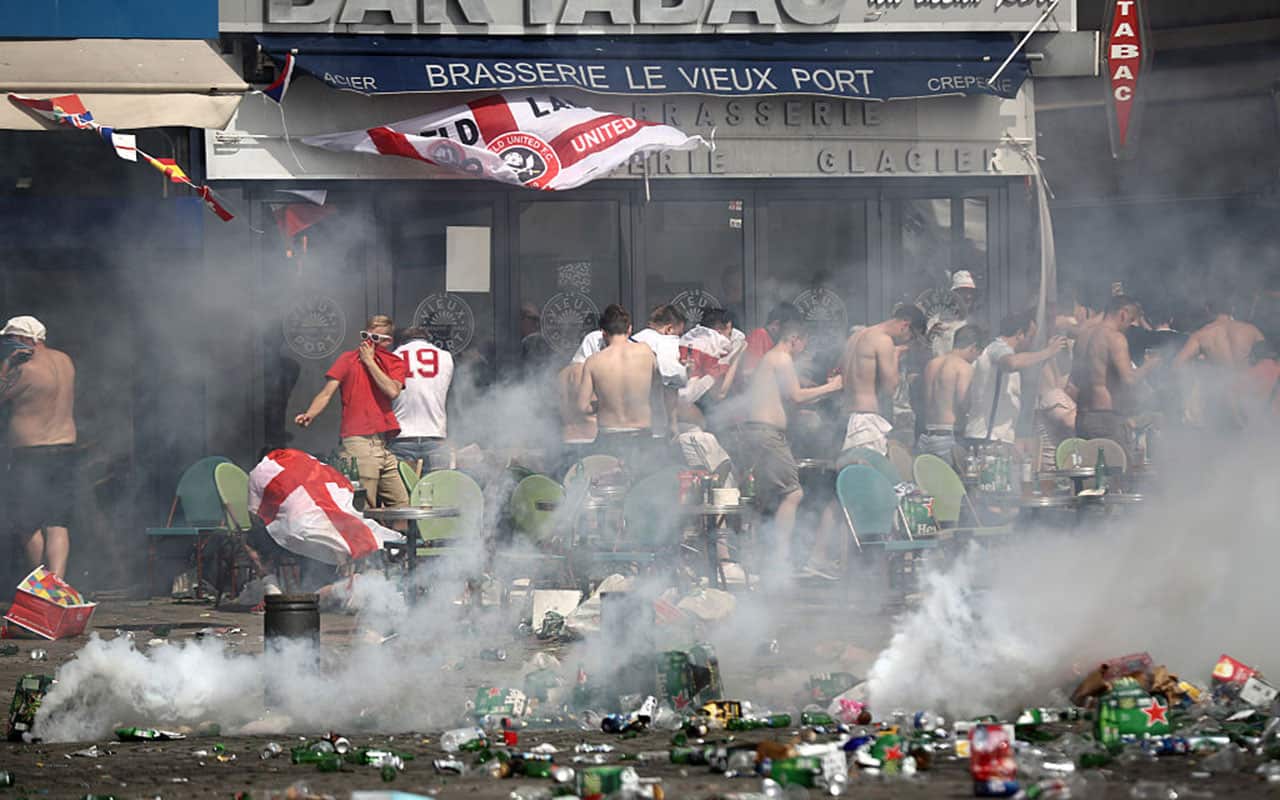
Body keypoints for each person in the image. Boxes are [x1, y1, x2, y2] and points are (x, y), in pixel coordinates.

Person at [743, 318, 841, 568]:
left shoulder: (772, 359)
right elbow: (797, 396)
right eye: (804, 343)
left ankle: (759, 556)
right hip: (767, 434)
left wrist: (817, 391)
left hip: (760, 432)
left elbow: (786, 397)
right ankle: (780, 559)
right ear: (795, 339)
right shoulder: (782, 358)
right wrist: (833, 387)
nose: (804, 349)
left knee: (765, 496)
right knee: (793, 493)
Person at [295, 314, 409, 508]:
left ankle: (399, 537)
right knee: (365, 506)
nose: (367, 343)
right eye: (365, 335)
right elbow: (326, 392)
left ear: (387, 341)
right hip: (358, 441)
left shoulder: (394, 362)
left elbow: (392, 390)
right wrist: (310, 413)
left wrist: (370, 362)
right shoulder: (348, 359)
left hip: (382, 443)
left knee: (401, 503)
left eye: (374, 339)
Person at [1, 316, 76, 578]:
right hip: (65, 450)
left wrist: (6, 365)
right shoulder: (66, 361)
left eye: (10, 339)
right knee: (57, 523)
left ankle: (39, 583)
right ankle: (56, 584)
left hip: (31, 455)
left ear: (23, 340)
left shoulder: (25, 369)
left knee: (28, 524)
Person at [964, 310, 1067, 447]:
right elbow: (1011, 363)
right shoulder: (997, 347)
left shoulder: (1002, 350)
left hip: (996, 438)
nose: (1031, 344)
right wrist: (1047, 352)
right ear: (1019, 334)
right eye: (1030, 337)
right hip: (988, 437)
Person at [1069, 295, 1159, 445]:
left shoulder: (1082, 337)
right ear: (1123, 314)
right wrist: (1151, 364)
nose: (1129, 326)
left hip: (1082, 417)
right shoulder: (1115, 338)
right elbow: (1129, 379)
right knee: (1117, 465)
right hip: (1106, 418)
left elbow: (1074, 381)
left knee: (1090, 465)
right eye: (1130, 320)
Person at [839, 304, 926, 456]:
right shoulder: (883, 341)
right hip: (866, 422)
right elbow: (890, 387)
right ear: (905, 325)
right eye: (911, 337)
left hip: (846, 417)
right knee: (868, 476)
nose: (907, 342)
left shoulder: (855, 337)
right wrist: (895, 356)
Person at [577, 305, 657, 469]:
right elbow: (657, 391)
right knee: (646, 490)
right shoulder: (646, 352)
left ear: (604, 333)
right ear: (629, 329)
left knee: (606, 489)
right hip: (641, 436)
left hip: (609, 437)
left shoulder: (593, 361)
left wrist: (603, 403)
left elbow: (582, 406)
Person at [389, 327, 454, 472]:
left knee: (402, 493)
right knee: (435, 492)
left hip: (402, 436)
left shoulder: (393, 357)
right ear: (428, 339)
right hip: (435, 435)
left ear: (402, 342)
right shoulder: (446, 357)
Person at [917, 324, 983, 463]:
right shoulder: (964, 368)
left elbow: (926, 400)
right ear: (973, 347)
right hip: (949, 438)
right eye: (978, 353)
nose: (976, 359)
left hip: (927, 436)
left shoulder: (932, 364)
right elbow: (964, 404)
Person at [631, 305, 688, 440]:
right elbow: (672, 380)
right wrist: (673, 424)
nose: (678, 338)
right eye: (678, 334)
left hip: (619, 423)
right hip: (650, 426)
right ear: (669, 329)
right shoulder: (665, 342)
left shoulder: (632, 341)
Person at [742, 303, 801, 378]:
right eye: (789, 329)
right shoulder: (759, 335)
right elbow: (747, 372)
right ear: (775, 324)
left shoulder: (775, 341)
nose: (792, 335)